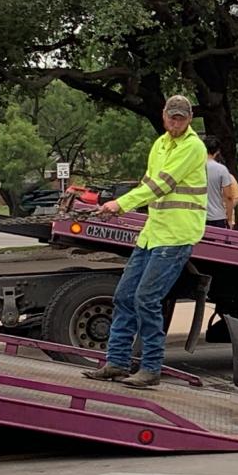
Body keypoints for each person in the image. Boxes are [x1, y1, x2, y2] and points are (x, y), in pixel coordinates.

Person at [83, 95, 207, 388]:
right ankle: (116, 362)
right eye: (171, 117)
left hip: (176, 235)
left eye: (181, 118)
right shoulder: (160, 144)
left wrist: (121, 205)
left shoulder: (193, 147)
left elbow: (159, 185)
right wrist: (116, 204)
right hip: (152, 233)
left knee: (146, 299)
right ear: (164, 116)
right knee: (125, 296)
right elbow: (147, 185)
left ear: (189, 119)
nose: (175, 123)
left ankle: (151, 367)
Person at [202, 136, 238, 230]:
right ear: (217, 151)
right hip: (218, 217)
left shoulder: (195, 168)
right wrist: (229, 218)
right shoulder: (222, 170)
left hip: (200, 216)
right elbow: (228, 196)